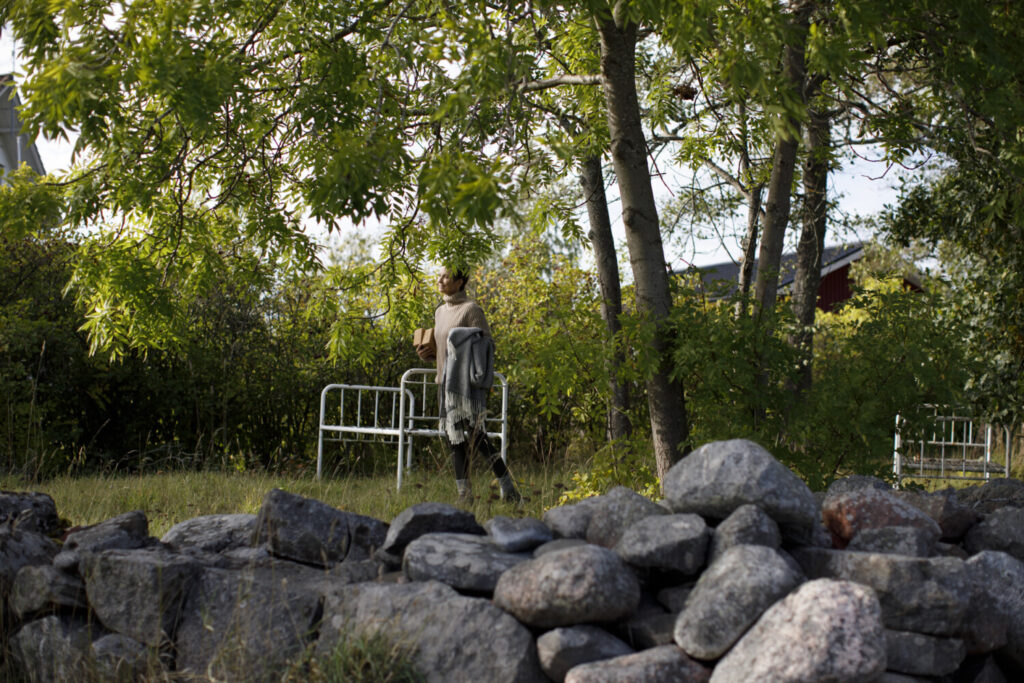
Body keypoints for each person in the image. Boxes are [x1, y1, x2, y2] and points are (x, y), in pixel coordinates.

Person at [416, 268, 520, 503]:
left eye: (446, 277)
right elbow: (446, 349)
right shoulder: (440, 311)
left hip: (467, 387)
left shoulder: (472, 310)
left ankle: (509, 490)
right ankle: (465, 495)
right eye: (439, 275)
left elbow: (486, 347)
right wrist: (430, 355)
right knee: (454, 439)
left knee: (478, 438)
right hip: (444, 382)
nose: (440, 280)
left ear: (460, 282)